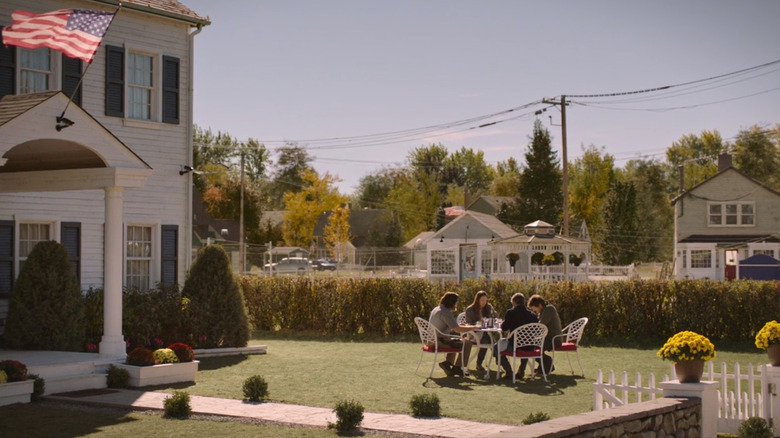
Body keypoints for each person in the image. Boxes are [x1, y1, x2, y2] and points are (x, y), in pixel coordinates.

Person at [429, 291, 480, 377]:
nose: (456, 304)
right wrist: (474, 327)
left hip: (431, 340)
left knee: (456, 342)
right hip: (439, 342)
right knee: (467, 343)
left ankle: (447, 365)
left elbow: (453, 325)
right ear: (451, 302)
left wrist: (461, 326)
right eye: (456, 302)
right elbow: (457, 329)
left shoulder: (437, 309)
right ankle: (457, 368)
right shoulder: (445, 312)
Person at [496, 292, 538, 380]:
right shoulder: (533, 315)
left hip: (515, 346)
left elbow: (504, 328)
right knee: (526, 342)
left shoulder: (511, 313)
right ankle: (521, 370)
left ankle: (508, 371)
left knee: (496, 347)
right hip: (530, 346)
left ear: (514, 303)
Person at [528, 294, 562, 375]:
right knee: (530, 347)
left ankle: (548, 364)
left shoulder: (549, 310)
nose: (535, 311)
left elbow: (541, 325)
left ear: (539, 305)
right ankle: (543, 366)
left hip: (554, 339)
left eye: (535, 309)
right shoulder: (544, 311)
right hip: (547, 338)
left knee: (533, 348)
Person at [464, 290, 496, 373]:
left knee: (486, 338)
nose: (484, 302)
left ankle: (479, 364)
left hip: (486, 333)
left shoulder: (488, 307)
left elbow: (495, 317)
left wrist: (492, 319)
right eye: (482, 300)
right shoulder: (470, 309)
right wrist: (478, 324)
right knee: (488, 339)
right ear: (477, 300)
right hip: (474, 334)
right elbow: (468, 324)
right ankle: (497, 355)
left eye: (486, 300)